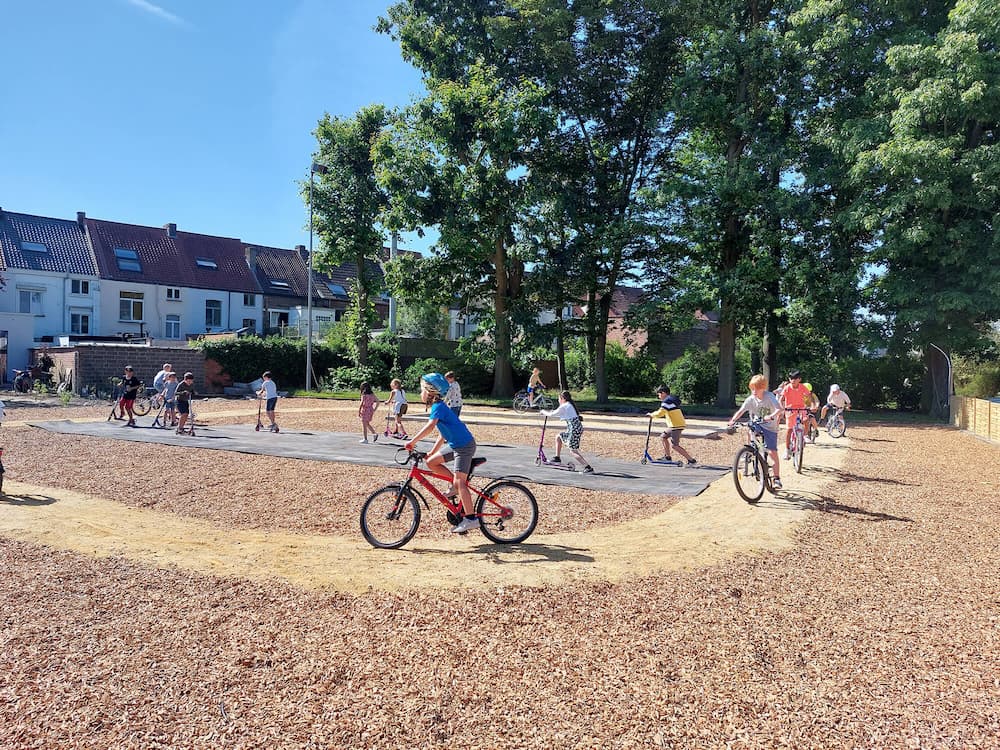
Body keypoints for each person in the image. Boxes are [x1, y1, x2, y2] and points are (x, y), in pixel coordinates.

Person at [404, 372, 479, 534]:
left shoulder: (438, 407)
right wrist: (432, 452)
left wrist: (412, 442)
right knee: (431, 462)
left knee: (461, 483)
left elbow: (431, 427)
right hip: (456, 445)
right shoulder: (439, 407)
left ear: (431, 391)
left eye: (422, 390)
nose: (420, 393)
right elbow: (442, 434)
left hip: (464, 446)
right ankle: (454, 486)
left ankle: (471, 519)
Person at [727, 374, 784, 490]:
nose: (754, 391)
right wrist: (732, 421)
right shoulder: (750, 399)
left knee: (773, 452)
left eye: (756, 388)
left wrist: (771, 416)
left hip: (770, 427)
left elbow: (779, 409)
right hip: (757, 423)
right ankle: (751, 450)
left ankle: (777, 478)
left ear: (763, 388)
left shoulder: (769, 397)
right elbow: (741, 411)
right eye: (752, 388)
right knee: (750, 428)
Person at [540, 390, 594, 473]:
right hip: (574, 429)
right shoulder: (569, 405)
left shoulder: (565, 405)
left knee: (573, 451)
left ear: (562, 399)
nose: (558, 401)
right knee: (559, 437)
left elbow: (552, 414)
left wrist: (543, 411)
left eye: (559, 399)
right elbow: (557, 412)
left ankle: (588, 467)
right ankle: (557, 458)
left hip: (574, 430)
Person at [647, 385, 696, 465]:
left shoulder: (667, 401)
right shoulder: (670, 400)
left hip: (676, 426)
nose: (659, 397)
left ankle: (691, 460)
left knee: (675, 445)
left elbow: (661, 412)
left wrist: (651, 415)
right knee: (663, 436)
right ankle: (667, 457)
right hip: (675, 425)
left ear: (663, 393)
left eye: (659, 395)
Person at [778, 370, 810, 460]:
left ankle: (805, 435)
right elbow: (781, 399)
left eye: (795, 379)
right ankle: (787, 450)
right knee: (789, 430)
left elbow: (808, 396)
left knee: (806, 420)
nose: (793, 380)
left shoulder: (802, 387)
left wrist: (810, 405)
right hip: (790, 410)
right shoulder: (787, 388)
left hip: (801, 408)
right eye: (791, 378)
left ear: (799, 379)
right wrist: (782, 408)